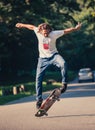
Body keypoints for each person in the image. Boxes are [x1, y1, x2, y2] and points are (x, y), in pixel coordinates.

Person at [16, 22, 82, 109]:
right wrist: (22, 25)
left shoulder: (54, 34)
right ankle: (39, 100)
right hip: (42, 59)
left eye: (47, 32)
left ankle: (64, 84)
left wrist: (76, 29)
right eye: (44, 33)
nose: (46, 34)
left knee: (64, 63)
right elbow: (31, 27)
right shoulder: (38, 31)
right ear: (41, 31)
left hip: (54, 56)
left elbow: (66, 31)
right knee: (38, 79)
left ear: (49, 31)